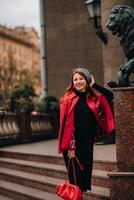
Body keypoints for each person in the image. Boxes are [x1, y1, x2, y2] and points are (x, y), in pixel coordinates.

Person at [58, 67, 115, 193]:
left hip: (87, 144)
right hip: (72, 146)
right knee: (76, 182)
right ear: (72, 83)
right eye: (75, 79)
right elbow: (65, 126)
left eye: (81, 78)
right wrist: (71, 147)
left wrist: (95, 85)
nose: (78, 82)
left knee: (83, 181)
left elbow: (111, 96)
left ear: (87, 80)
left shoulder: (94, 98)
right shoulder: (67, 100)